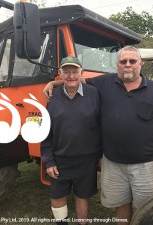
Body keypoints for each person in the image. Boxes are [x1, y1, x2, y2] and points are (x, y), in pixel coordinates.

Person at [43, 46, 153, 225]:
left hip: (145, 163)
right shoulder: (104, 83)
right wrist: (54, 83)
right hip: (113, 162)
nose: (128, 65)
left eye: (132, 61)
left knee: (149, 208)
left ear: (140, 64)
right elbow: (75, 80)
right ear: (117, 65)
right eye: (123, 61)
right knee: (121, 203)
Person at [40, 56, 101, 225]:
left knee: (82, 196)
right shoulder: (52, 98)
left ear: (81, 73)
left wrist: (101, 156)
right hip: (59, 160)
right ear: (60, 74)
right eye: (66, 72)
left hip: (87, 159)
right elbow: (46, 132)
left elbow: (101, 126)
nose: (71, 76)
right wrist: (49, 161)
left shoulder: (94, 94)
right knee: (58, 196)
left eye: (75, 71)